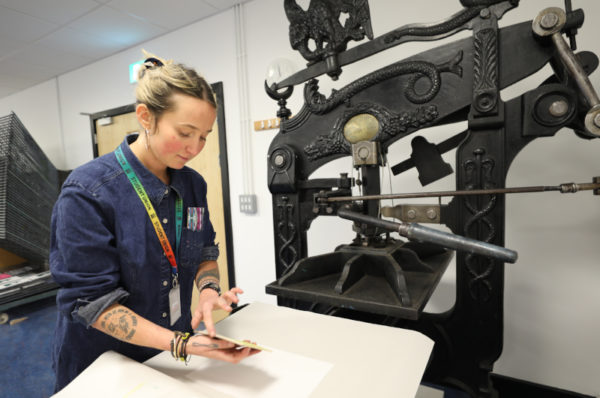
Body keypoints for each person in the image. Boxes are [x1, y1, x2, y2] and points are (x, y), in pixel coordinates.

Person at [50, 52, 258, 392]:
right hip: (104, 362)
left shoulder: (192, 184)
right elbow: (93, 304)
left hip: (170, 356)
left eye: (204, 136)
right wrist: (182, 344)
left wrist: (208, 293)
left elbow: (205, 249)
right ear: (146, 117)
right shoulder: (87, 192)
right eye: (186, 132)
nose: (195, 148)